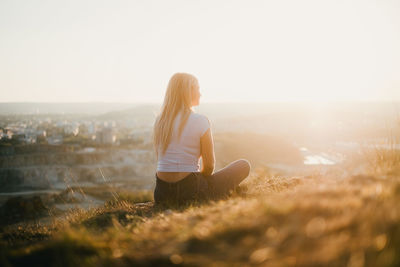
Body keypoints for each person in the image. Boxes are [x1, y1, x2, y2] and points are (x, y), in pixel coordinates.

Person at [152, 72, 251, 205]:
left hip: (162, 193)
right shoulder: (200, 121)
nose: (200, 93)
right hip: (190, 191)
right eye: (197, 89)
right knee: (243, 165)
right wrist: (201, 182)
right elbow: (209, 166)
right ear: (187, 92)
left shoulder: (160, 121)